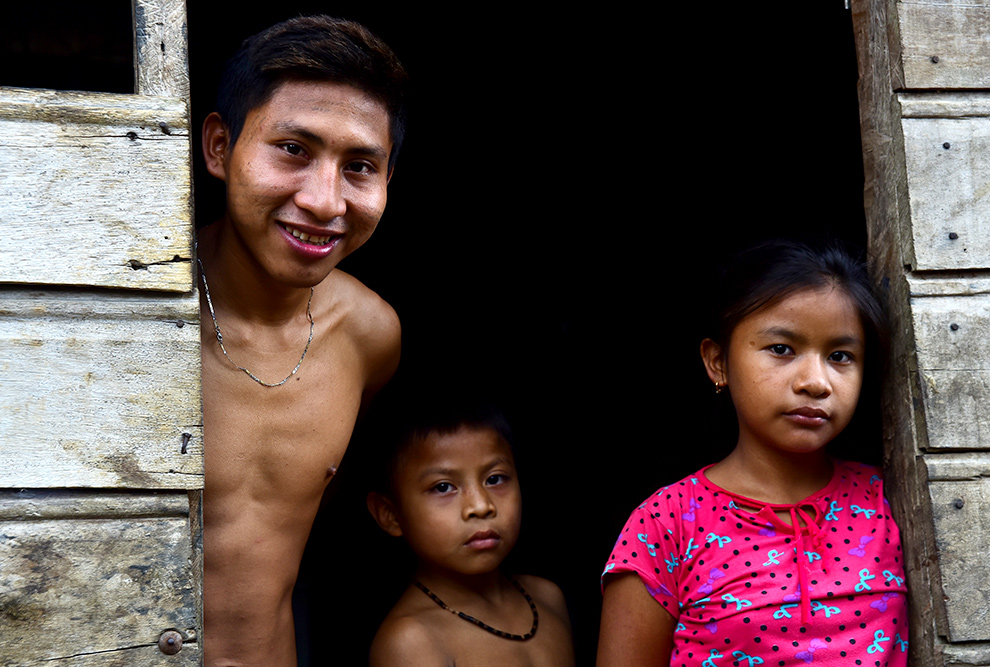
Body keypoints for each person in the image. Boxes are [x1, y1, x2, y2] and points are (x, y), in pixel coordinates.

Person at [196, 16, 406, 666]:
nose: (324, 201)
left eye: (360, 166)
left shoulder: (370, 335)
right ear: (219, 147)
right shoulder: (127, 316)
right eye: (293, 148)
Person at [597, 240, 909, 666]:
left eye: (840, 356)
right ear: (718, 362)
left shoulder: (890, 499)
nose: (816, 382)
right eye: (781, 349)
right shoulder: (667, 524)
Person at [365, 400, 576, 666]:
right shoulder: (412, 641)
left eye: (495, 479)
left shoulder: (547, 597)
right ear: (390, 514)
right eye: (443, 487)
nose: (481, 506)